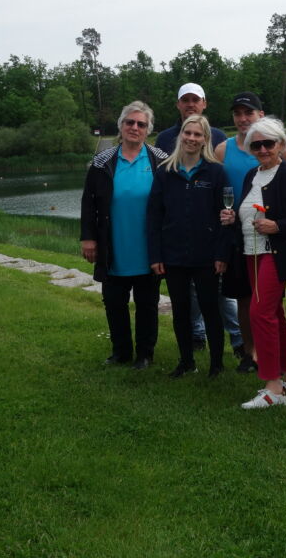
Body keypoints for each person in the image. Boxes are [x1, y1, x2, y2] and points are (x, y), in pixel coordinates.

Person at [220, 117, 286, 409]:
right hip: (251, 252)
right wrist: (234, 218)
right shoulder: (251, 175)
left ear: (281, 144)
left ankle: (273, 386)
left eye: (268, 143)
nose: (262, 149)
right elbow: (249, 214)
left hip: (276, 254)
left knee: (260, 313)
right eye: (256, 144)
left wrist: (278, 226)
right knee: (275, 313)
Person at [152, 81, 240, 357]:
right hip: (176, 243)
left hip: (207, 241)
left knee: (218, 299)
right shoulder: (164, 144)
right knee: (184, 302)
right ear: (178, 104)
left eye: (196, 100)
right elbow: (158, 205)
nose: (191, 104)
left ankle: (234, 344)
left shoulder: (217, 142)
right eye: (185, 100)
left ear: (204, 103)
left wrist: (225, 226)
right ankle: (193, 343)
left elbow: (221, 193)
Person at [80, 101, 166, 370]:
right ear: (121, 126)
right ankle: (120, 352)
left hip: (148, 249)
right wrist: (88, 238)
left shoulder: (160, 160)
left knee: (147, 305)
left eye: (141, 124)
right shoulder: (102, 162)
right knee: (114, 303)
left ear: (148, 129)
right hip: (113, 247)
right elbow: (88, 203)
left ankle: (145, 354)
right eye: (130, 122)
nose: (135, 127)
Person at [213, 91, 286, 373]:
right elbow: (215, 187)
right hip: (237, 232)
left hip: (270, 233)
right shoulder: (223, 149)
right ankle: (250, 352)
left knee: (270, 301)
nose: (243, 119)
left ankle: (276, 354)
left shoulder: (275, 146)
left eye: (249, 113)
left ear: (261, 115)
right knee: (244, 298)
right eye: (238, 114)